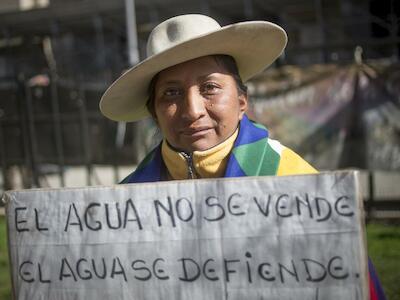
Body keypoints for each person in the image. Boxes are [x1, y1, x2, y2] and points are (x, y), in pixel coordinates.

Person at [100, 14, 385, 300]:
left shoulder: (296, 180)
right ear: (154, 114)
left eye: (209, 87)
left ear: (241, 102)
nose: (192, 110)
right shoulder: (125, 204)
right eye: (171, 93)